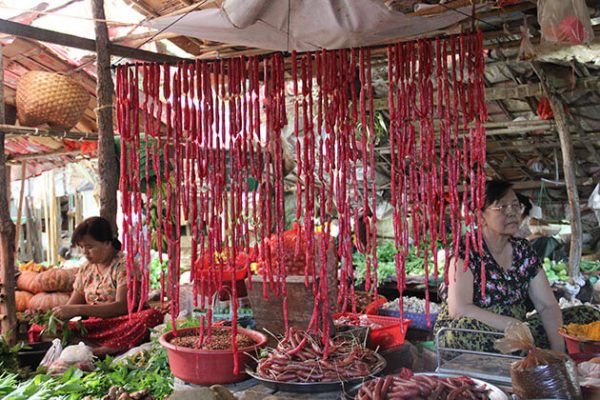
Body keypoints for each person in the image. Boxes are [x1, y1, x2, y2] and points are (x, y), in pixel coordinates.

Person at [434, 180, 600, 353]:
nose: (512, 213)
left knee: (586, 315)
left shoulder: (523, 250)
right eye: (502, 207)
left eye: (515, 206)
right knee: (464, 329)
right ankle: (526, 352)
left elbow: (547, 306)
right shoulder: (466, 250)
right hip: (479, 330)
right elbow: (459, 309)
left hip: (519, 330)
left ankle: (534, 352)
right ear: (480, 215)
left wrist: (559, 350)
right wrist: (510, 324)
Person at [39, 217, 163, 356]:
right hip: (96, 327)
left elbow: (122, 306)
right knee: (39, 329)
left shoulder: (124, 265)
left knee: (152, 316)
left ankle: (103, 350)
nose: (85, 252)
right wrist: (54, 316)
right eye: (82, 247)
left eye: (90, 247)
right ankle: (86, 346)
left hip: (123, 323)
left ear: (107, 243)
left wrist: (79, 310)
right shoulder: (86, 269)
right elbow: (72, 305)